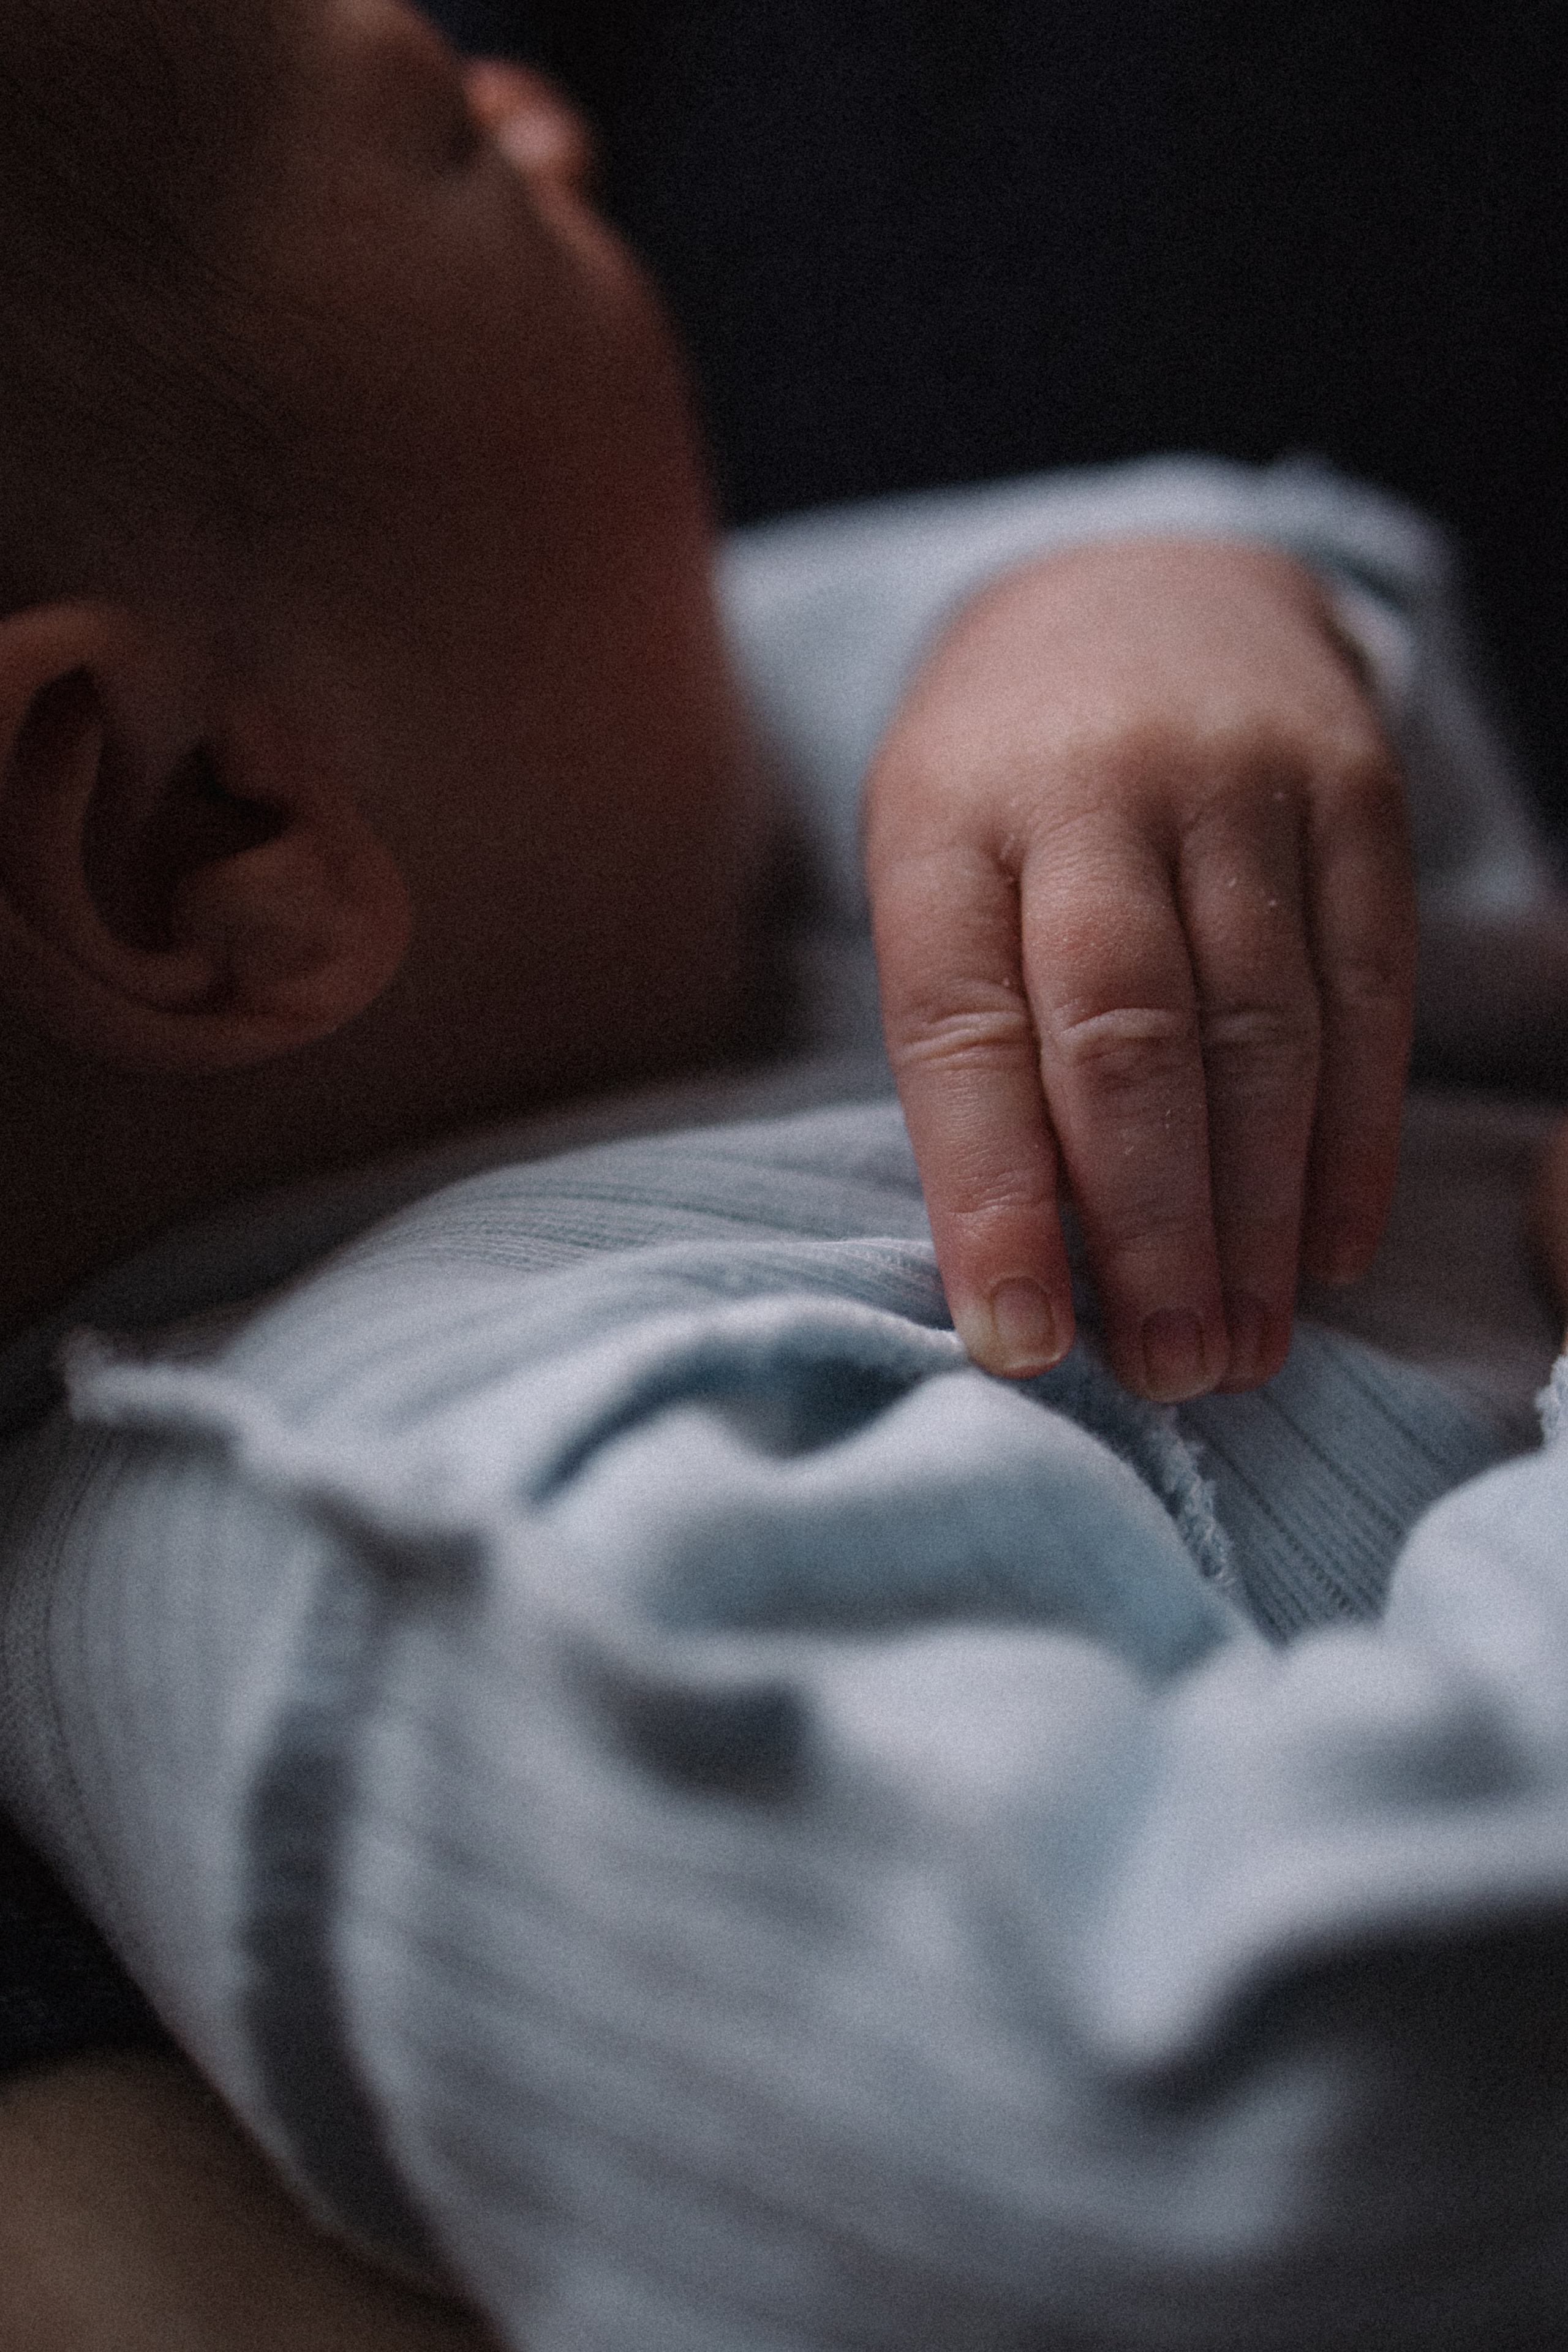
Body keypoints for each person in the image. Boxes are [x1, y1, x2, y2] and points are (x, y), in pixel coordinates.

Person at [3, 2, 1567, 2345]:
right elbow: (1267, 2156)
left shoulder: (596, 863)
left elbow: (1376, 777)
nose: (556, 110)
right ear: (192, 837)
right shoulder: (411, 1567)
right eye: (440, 135)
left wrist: (1130, 610)